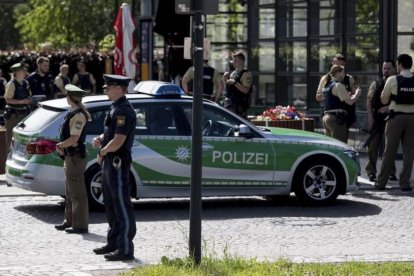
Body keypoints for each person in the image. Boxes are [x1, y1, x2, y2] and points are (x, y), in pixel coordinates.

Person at [91, 74, 136, 261]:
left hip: (117, 161)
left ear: (119, 88)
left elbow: (118, 141)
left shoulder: (124, 110)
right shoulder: (115, 107)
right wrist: (101, 138)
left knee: (121, 205)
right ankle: (114, 243)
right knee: (110, 204)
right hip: (110, 162)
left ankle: (125, 248)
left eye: (109, 87)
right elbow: (112, 133)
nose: (106, 90)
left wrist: (102, 152)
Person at [54, 84, 90, 234]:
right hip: (70, 155)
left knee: (77, 192)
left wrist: (61, 144)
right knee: (69, 191)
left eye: (67, 95)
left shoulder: (78, 115)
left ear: (70, 98)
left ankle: (80, 225)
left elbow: (74, 137)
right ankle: (69, 221)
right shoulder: (73, 112)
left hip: (75, 156)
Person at [375, 54, 414, 191]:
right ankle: (405, 183)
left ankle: (381, 183)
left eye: (397, 64)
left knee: (389, 151)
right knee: (409, 152)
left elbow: (384, 101)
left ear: (400, 64)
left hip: (396, 118)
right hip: (412, 118)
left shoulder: (393, 79)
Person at [365, 60, 397, 182]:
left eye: (388, 68)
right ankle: (371, 172)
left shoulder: (397, 82)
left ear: (394, 69)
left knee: (390, 147)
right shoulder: (376, 83)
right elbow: (369, 100)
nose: (386, 71)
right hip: (377, 119)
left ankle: (391, 172)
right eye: (384, 68)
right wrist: (370, 116)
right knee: (372, 146)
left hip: (392, 118)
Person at [316, 54, 357, 142]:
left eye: (341, 65)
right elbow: (318, 97)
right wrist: (337, 94)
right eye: (336, 65)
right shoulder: (327, 80)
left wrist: (344, 95)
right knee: (339, 144)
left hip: (343, 115)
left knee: (336, 142)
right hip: (334, 116)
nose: (338, 67)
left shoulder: (349, 78)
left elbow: (352, 94)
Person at [321, 65, 362, 143]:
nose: (344, 75)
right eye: (343, 73)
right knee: (339, 145)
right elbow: (350, 102)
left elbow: (335, 99)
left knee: (329, 144)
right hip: (336, 119)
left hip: (326, 118)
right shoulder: (338, 85)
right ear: (337, 73)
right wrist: (357, 94)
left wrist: (349, 96)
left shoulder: (326, 85)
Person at [4, 63, 32, 151]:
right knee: (10, 139)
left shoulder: (26, 82)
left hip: (25, 114)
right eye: (23, 71)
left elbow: (29, 95)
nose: (25, 72)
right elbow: (7, 99)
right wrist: (21, 101)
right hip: (13, 115)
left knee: (23, 138)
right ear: (17, 72)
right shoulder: (11, 84)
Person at [223, 51, 253, 118]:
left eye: (235, 60)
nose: (233, 62)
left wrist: (235, 83)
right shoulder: (233, 73)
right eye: (233, 60)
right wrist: (225, 79)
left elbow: (246, 90)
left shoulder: (246, 74)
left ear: (242, 61)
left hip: (239, 107)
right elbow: (227, 90)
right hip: (229, 104)